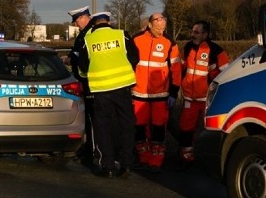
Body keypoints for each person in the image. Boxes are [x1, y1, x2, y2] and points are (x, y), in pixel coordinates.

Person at [77, 12, 139, 178]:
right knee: (126, 125)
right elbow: (135, 57)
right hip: (123, 88)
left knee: (103, 128)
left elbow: (82, 67)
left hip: (101, 91)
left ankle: (108, 166)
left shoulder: (88, 41)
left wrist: (90, 76)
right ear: (109, 21)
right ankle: (126, 164)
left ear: (94, 24)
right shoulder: (121, 35)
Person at [131, 12, 181, 172]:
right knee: (139, 126)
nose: (161, 30)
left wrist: (174, 92)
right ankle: (143, 157)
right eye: (159, 26)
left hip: (161, 94)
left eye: (164, 26)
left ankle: (157, 160)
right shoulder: (136, 39)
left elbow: (176, 69)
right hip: (138, 93)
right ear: (150, 24)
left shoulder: (169, 43)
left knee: (159, 127)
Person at [178, 20, 229, 165]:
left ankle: (211, 158)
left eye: (196, 32)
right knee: (185, 127)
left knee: (210, 129)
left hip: (208, 100)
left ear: (205, 34)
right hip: (189, 98)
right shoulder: (188, 47)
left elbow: (226, 72)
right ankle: (186, 157)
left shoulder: (216, 50)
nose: (192, 35)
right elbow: (181, 68)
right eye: (192, 31)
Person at [67, 6, 95, 166]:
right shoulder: (84, 34)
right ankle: (87, 149)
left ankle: (91, 151)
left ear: (85, 17)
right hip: (84, 81)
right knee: (87, 118)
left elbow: (84, 57)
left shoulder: (90, 34)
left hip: (90, 82)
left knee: (92, 119)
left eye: (77, 20)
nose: (76, 24)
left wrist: (71, 60)